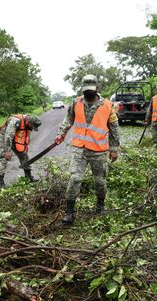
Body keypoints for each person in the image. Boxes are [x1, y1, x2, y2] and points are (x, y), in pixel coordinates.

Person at [54, 75, 121, 225]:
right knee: (75, 178)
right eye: (85, 90)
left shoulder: (108, 105)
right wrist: (61, 134)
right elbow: (68, 120)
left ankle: (100, 206)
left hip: (99, 150)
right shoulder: (75, 103)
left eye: (91, 90)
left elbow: (114, 128)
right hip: (80, 149)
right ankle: (69, 212)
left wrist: (114, 148)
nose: (88, 93)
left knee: (100, 181)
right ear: (82, 89)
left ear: (97, 88)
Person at [0, 114, 42, 191]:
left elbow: (25, 137)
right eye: (31, 126)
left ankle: (28, 178)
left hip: (15, 137)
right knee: (2, 159)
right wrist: (7, 151)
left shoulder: (28, 124)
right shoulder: (15, 121)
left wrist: (24, 148)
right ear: (28, 121)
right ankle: (0, 184)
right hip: (4, 137)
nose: (31, 128)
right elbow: (8, 136)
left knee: (24, 156)